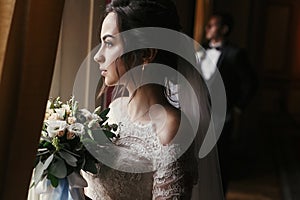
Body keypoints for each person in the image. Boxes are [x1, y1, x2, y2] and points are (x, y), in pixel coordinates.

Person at [82, 0, 224, 199]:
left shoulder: (171, 128)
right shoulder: (114, 110)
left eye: (109, 43)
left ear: (147, 54)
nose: (98, 56)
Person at [196, 13, 257, 195]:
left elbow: (251, 82)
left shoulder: (235, 54)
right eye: (207, 25)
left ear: (224, 29)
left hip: (222, 115)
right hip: (199, 113)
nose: (207, 28)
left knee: (220, 159)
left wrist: (239, 106)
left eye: (212, 25)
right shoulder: (200, 51)